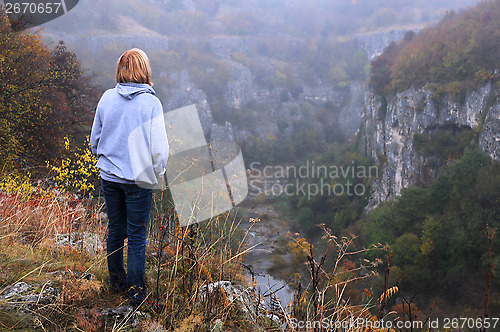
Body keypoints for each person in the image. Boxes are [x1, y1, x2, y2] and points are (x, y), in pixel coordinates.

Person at [90, 48, 169, 306]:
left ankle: (116, 282)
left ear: (120, 70)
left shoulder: (106, 98)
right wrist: (158, 172)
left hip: (110, 177)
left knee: (116, 229)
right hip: (138, 180)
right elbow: (159, 150)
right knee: (136, 236)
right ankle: (136, 294)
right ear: (144, 71)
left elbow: (95, 140)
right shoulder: (151, 103)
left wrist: (107, 160)